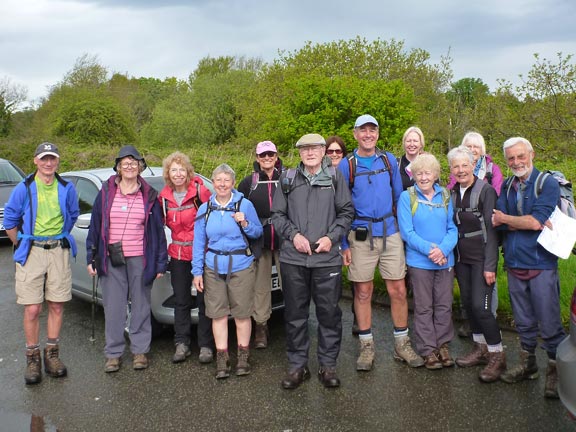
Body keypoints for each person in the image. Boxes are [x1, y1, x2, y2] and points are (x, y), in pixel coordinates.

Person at [338, 114, 423, 371]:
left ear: (377, 134)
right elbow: (339, 206)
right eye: (362, 130)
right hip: (360, 234)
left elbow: (401, 199)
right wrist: (343, 244)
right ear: (355, 134)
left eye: (372, 130)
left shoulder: (388, 160)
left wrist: (405, 234)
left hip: (390, 232)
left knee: (398, 290)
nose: (368, 135)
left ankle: (402, 344)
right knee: (363, 292)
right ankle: (366, 347)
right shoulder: (346, 165)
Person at [272, 133, 353, 389]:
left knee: (329, 314)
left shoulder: (335, 177)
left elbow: (347, 212)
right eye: (304, 149)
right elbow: (277, 215)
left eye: (314, 148)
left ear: (323, 151)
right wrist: (293, 235)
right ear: (299, 153)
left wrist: (332, 237)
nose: (310, 153)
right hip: (293, 259)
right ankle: (298, 367)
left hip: (326, 259)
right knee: (295, 315)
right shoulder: (287, 179)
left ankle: (328, 366)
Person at [492, 137, 566, 398]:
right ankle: (528, 366)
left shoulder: (547, 184)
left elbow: (536, 222)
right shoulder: (508, 185)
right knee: (523, 321)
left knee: (549, 323)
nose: (516, 162)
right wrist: (518, 221)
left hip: (541, 264)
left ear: (531, 154)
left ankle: (556, 375)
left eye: (520, 156)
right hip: (513, 263)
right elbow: (496, 221)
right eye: (511, 158)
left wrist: (514, 220)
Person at [86, 145, 168, 373]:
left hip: (140, 257)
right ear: (118, 168)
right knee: (114, 307)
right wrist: (91, 256)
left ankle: (140, 351)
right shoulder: (106, 192)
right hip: (111, 257)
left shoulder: (150, 194)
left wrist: (161, 261)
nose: (130, 166)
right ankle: (113, 353)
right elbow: (95, 226)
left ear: (140, 167)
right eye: (125, 163)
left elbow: (158, 231)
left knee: (141, 305)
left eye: (134, 163)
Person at [4, 142, 79, 385]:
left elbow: (73, 215)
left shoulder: (66, 188)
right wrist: (21, 244)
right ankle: (32, 357)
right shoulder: (23, 188)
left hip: (57, 250)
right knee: (33, 308)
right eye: (44, 158)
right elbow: (10, 220)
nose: (48, 163)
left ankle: (52, 355)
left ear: (57, 162)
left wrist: (58, 237)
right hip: (32, 251)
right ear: (35, 160)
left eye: (52, 159)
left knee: (57, 305)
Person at [192, 164, 263, 379]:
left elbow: (258, 232)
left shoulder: (245, 204)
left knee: (242, 314)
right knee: (218, 314)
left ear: (233, 183)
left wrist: (246, 223)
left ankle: (243, 356)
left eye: (226, 180)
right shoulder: (205, 209)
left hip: (241, 265)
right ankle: (222, 358)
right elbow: (199, 242)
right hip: (213, 267)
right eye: (218, 180)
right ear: (212, 184)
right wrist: (197, 272)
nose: (222, 184)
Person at [448, 147, 506, 382]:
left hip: (482, 257)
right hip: (462, 259)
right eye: (456, 166)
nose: (461, 170)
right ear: (451, 170)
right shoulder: (452, 192)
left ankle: (497, 355)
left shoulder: (486, 191)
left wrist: (490, 265)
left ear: (473, 165)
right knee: (469, 306)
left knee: (482, 308)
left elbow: (492, 232)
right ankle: (481, 349)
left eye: (465, 165)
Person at [397, 153, 458, 369]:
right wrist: (430, 250)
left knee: (443, 305)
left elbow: (452, 227)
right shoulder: (407, 197)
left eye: (428, 173)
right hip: (420, 261)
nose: (423, 177)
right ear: (413, 176)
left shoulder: (445, 196)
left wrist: (442, 250)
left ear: (435, 175)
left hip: (444, 260)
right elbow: (407, 232)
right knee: (424, 307)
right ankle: (427, 349)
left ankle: (443, 345)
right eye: (419, 173)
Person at [159, 152, 213, 364]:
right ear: (168, 174)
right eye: (174, 170)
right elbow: (158, 227)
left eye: (182, 169)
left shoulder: (201, 192)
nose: (178, 174)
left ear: (188, 171)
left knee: (204, 301)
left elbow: (214, 220)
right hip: (178, 255)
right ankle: (181, 343)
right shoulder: (163, 198)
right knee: (181, 301)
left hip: (201, 254)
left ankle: (206, 345)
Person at [237, 140, 284, 349]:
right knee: (261, 287)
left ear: (276, 156)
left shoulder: (287, 178)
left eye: (270, 155)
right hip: (260, 241)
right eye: (263, 156)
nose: (267, 159)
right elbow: (239, 210)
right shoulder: (249, 183)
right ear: (257, 158)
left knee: (291, 285)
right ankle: (261, 327)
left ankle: (293, 325)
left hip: (285, 239)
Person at [398, 126, 425, 190]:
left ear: (421, 143)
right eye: (408, 141)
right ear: (404, 143)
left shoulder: (429, 164)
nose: (412, 144)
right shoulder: (396, 164)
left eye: (415, 141)